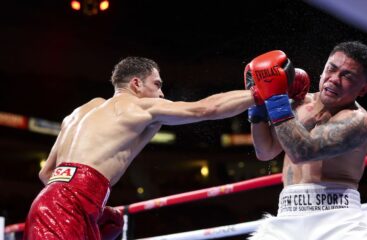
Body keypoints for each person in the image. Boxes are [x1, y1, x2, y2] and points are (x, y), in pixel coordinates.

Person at [24, 55, 298, 240]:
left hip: (51, 202)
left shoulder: (81, 112)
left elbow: (46, 174)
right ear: (136, 84)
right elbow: (204, 109)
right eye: (157, 85)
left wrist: (97, 205)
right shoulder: (136, 105)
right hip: (68, 207)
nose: (162, 94)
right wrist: (259, 92)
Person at [246, 41, 367, 240]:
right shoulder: (298, 105)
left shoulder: (358, 121)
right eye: (331, 69)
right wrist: (259, 109)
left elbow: (302, 152)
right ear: (322, 70)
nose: (334, 79)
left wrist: (275, 98)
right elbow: (265, 151)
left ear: (363, 89)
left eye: (347, 76)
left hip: (339, 219)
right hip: (287, 214)